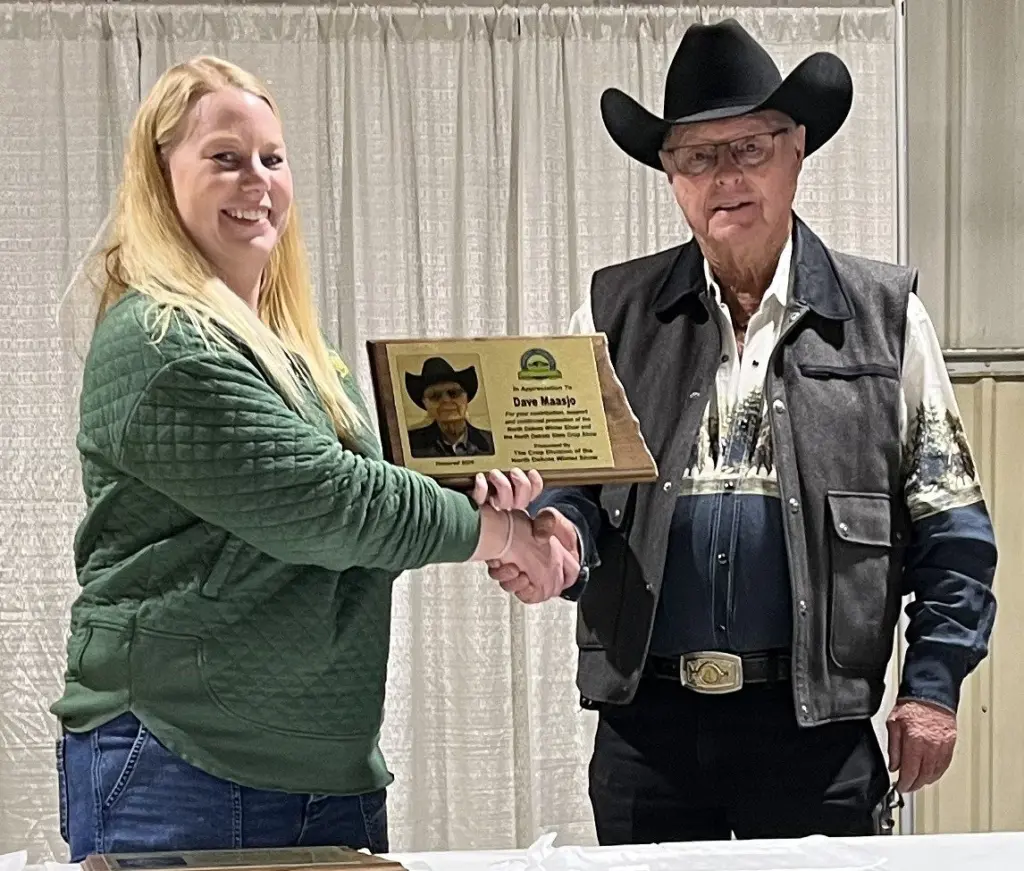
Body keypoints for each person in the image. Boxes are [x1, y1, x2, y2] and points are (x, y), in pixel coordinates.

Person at [51, 56, 577, 862]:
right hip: (184, 758)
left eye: (272, 157)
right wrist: (503, 537)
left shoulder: (297, 351)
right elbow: (333, 505)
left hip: (325, 765)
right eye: (225, 157)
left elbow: (371, 501)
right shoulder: (161, 340)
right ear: (160, 176)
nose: (257, 180)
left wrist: (486, 497)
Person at [490, 19, 998, 842]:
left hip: (816, 733)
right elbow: (575, 492)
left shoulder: (888, 319)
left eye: (751, 147)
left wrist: (932, 685)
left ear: (797, 150)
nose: (725, 175)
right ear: (670, 175)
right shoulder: (610, 315)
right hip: (645, 731)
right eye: (698, 155)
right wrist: (556, 540)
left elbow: (954, 533)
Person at [405, 357, 495, 457]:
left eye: (454, 393)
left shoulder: (491, 442)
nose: (446, 400)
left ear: (466, 398)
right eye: (435, 396)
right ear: (425, 403)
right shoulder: (409, 444)